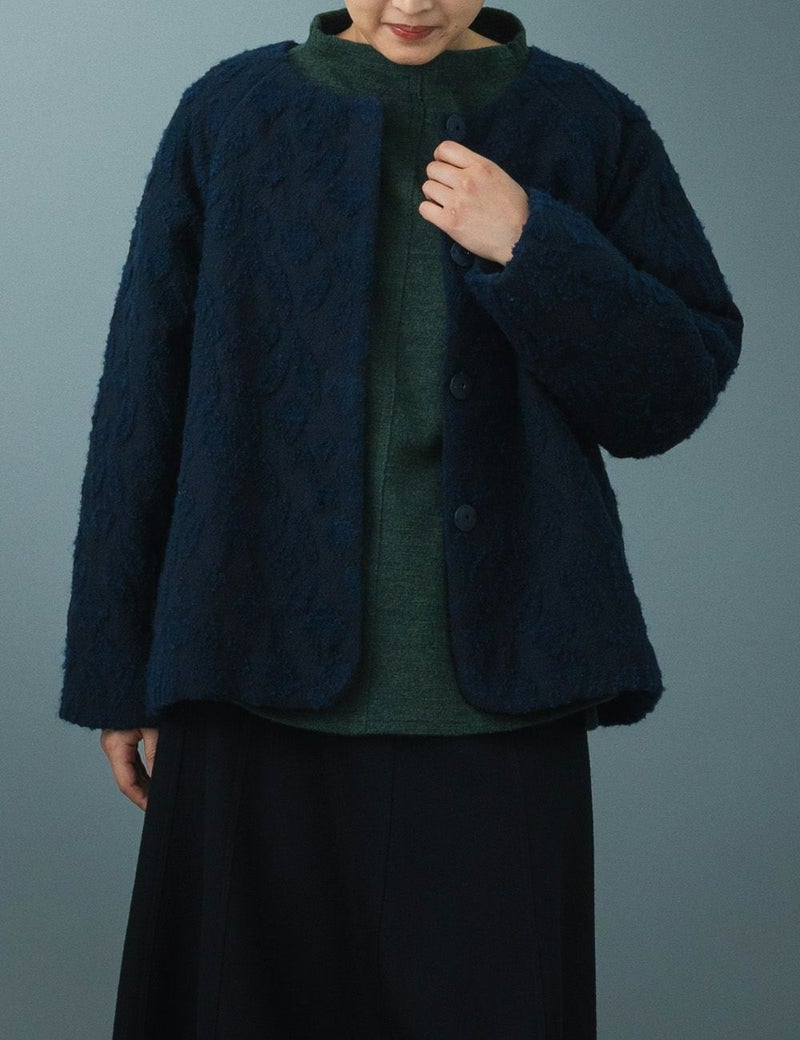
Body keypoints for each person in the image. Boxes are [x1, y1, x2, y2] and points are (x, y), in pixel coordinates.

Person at [58, 2, 743, 1037]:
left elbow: (671, 391)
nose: (410, 4)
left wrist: (530, 243)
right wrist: (117, 669)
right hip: (247, 677)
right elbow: (141, 395)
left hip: (500, 701)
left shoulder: (587, 123)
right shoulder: (230, 114)